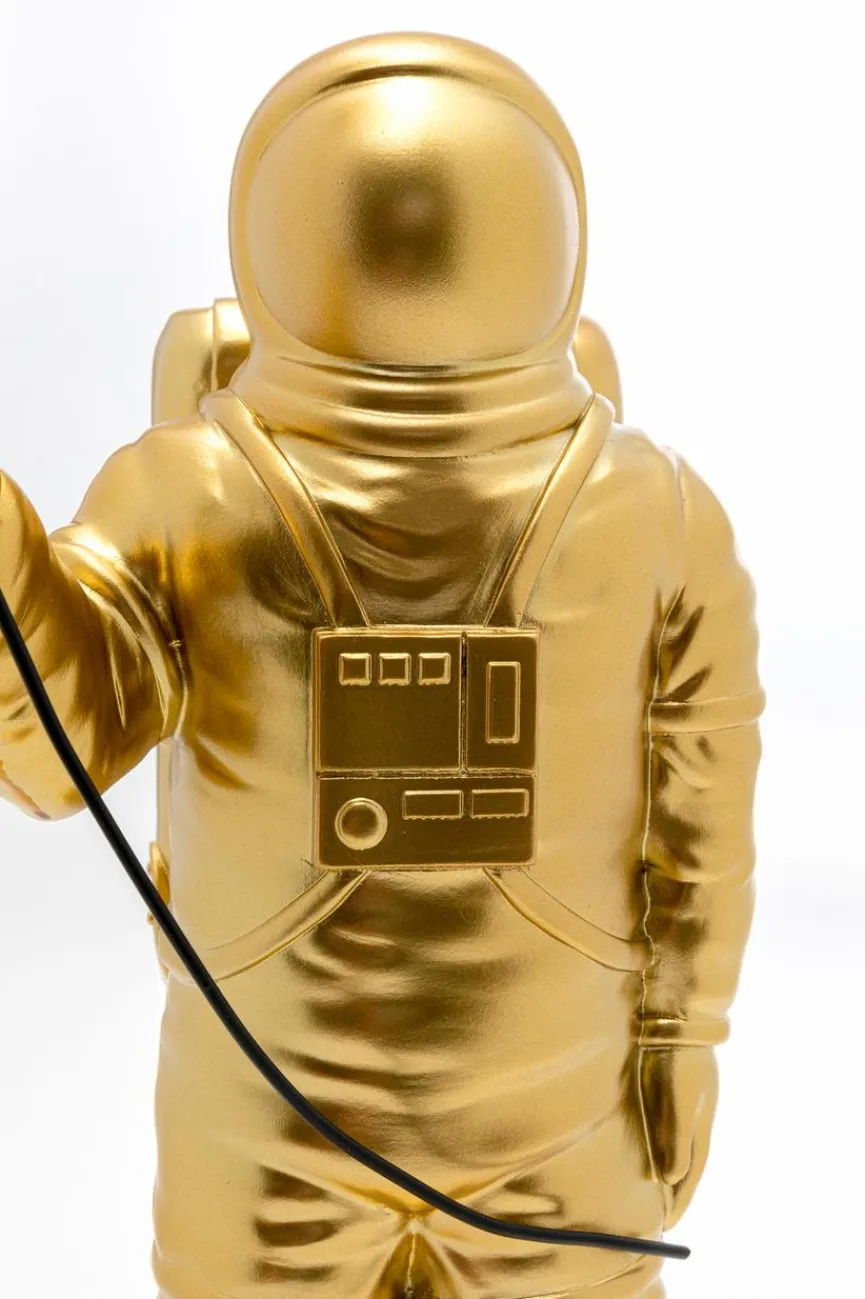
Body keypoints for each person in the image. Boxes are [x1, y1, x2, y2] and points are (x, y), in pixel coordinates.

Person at [0, 33, 763, 1299]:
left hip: (485, 1138)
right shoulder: (200, 499)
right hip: (298, 1133)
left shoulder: (645, 517)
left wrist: (685, 1036)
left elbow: (53, 749)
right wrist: (684, 1040)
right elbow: (704, 830)